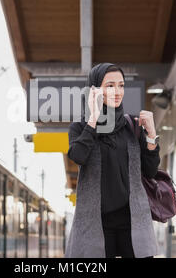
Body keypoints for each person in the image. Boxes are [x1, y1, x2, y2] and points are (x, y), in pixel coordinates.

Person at [64, 63, 160, 258]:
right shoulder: (80, 127)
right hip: (96, 225)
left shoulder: (132, 126)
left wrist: (151, 135)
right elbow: (78, 156)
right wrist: (93, 118)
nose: (117, 91)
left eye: (121, 85)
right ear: (94, 89)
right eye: (110, 86)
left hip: (132, 223)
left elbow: (150, 171)